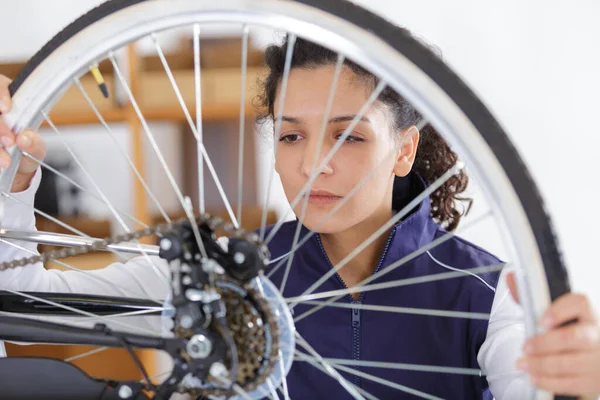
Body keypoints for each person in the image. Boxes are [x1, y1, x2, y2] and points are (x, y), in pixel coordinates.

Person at [0, 34, 599, 399]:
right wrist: (13, 185)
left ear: (406, 150)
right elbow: (19, 302)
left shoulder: (486, 293)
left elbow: (538, 390)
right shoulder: (230, 271)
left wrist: (581, 378)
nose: (314, 165)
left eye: (349, 138)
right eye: (291, 137)